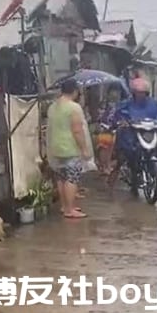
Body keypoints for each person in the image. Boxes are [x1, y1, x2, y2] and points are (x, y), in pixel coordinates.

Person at [109, 78, 157, 193]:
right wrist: (122, 122)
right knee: (122, 157)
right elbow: (117, 116)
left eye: (143, 93)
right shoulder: (126, 104)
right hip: (131, 135)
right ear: (133, 93)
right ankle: (110, 186)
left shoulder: (154, 104)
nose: (140, 95)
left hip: (150, 134)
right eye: (138, 93)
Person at [47, 79, 91, 219]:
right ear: (75, 91)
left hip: (55, 146)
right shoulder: (74, 107)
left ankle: (64, 206)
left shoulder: (53, 107)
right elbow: (77, 130)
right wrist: (84, 148)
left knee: (61, 178)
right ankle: (70, 209)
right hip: (70, 147)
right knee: (71, 178)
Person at [96, 86, 121, 175]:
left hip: (113, 128)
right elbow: (101, 115)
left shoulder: (117, 103)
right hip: (104, 128)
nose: (116, 94)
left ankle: (108, 165)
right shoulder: (104, 103)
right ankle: (103, 167)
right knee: (104, 148)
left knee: (110, 148)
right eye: (114, 92)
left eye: (117, 92)